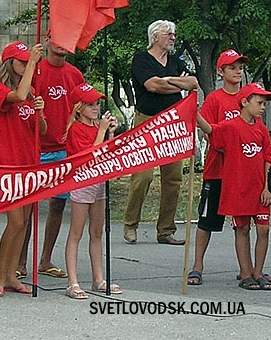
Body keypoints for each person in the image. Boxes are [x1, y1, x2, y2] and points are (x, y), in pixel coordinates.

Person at [123, 20, 198, 245]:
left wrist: (169, 80)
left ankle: (165, 230)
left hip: (172, 123)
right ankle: (130, 224)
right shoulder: (141, 59)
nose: (173, 37)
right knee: (143, 175)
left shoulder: (176, 61)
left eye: (174, 34)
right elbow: (152, 85)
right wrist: (177, 84)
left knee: (173, 177)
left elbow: (193, 82)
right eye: (169, 34)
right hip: (146, 121)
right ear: (155, 37)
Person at [17, 29, 84, 279]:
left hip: (63, 150)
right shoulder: (35, 71)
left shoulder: (74, 74)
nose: (60, 46)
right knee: (28, 207)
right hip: (36, 148)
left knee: (58, 205)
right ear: (46, 42)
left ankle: (45, 259)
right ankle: (20, 261)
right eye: (55, 40)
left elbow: (81, 107)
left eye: (65, 41)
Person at [197, 83, 271, 291]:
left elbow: (268, 157)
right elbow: (211, 130)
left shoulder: (261, 129)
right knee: (242, 228)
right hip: (239, 190)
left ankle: (259, 272)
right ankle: (246, 273)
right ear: (244, 102)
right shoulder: (231, 126)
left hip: (259, 190)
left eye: (264, 103)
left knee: (264, 229)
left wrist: (267, 187)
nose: (262, 107)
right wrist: (194, 115)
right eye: (259, 103)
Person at [0, 41, 46, 297]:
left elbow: (41, 131)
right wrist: (34, 62)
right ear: (9, 63)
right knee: (15, 222)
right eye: (21, 61)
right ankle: (0, 277)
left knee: (23, 224)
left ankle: (12, 274)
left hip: (29, 164)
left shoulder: (31, 90)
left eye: (28, 62)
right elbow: (18, 97)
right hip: (9, 166)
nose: (26, 65)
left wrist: (41, 113)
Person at [187, 50, 248, 286]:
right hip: (217, 171)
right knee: (207, 220)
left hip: (241, 172)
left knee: (242, 223)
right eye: (232, 68)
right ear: (221, 72)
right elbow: (210, 132)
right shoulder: (215, 99)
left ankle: (247, 269)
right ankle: (197, 265)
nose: (237, 72)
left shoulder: (247, 97)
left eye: (240, 68)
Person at [64, 83, 122, 299]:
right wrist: (101, 131)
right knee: (76, 232)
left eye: (97, 104)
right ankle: (73, 281)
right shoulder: (76, 129)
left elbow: (107, 152)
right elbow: (89, 155)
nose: (95, 108)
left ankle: (98, 278)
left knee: (97, 232)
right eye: (90, 105)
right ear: (79, 108)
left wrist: (110, 134)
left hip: (99, 181)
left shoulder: (98, 127)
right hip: (82, 181)